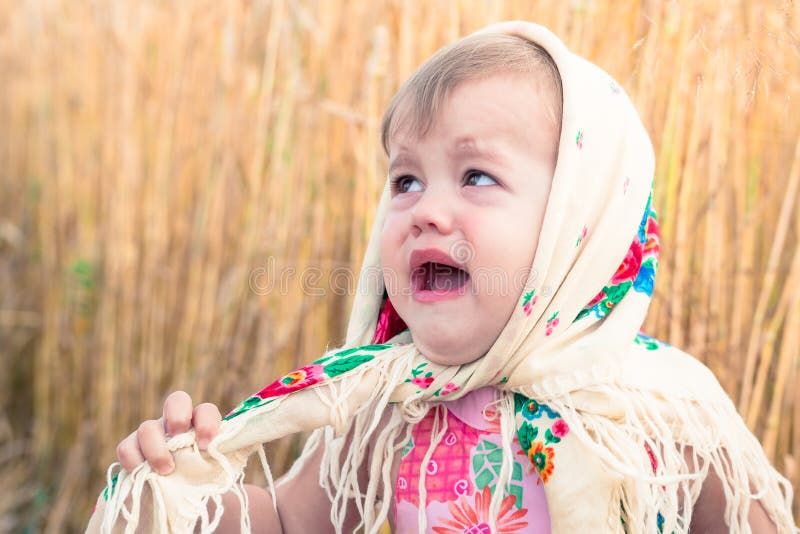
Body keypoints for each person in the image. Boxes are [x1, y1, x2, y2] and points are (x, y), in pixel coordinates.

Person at [89, 21, 796, 533]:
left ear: (578, 224)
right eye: (404, 180)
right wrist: (176, 495)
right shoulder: (388, 404)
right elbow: (283, 522)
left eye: (476, 175)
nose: (426, 210)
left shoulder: (663, 412)